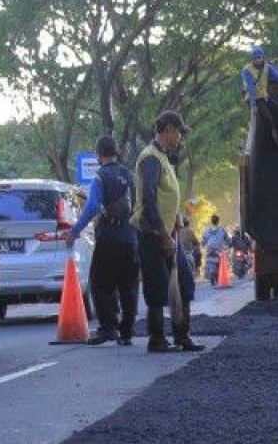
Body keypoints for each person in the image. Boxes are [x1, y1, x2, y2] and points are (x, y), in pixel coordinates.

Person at [131, 111, 204, 353]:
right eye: (179, 132)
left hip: (168, 233)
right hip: (152, 235)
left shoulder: (164, 158)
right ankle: (157, 339)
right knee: (157, 287)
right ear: (169, 129)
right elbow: (149, 200)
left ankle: (183, 336)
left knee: (184, 283)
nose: (181, 137)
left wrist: (178, 224)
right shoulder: (150, 158)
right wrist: (163, 235)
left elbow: (167, 199)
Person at [65, 135, 138, 346]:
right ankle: (127, 331)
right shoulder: (130, 176)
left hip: (108, 238)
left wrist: (75, 230)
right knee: (128, 286)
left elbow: (93, 206)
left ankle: (108, 328)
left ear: (99, 155)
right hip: (130, 237)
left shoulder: (100, 176)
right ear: (116, 153)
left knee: (101, 284)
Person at [240, 45, 278, 150]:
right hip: (253, 98)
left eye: (259, 57)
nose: (258, 60)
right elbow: (251, 88)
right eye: (255, 58)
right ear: (252, 59)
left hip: (264, 96)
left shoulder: (267, 67)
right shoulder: (246, 70)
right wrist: (253, 106)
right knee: (267, 119)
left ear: (263, 57)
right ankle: (276, 143)